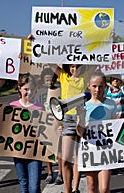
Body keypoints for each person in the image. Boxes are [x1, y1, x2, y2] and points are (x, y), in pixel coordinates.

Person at [49, 63, 94, 193]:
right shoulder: (63, 75)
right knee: (66, 159)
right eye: (72, 66)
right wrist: (37, 44)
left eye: (77, 66)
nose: (74, 69)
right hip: (67, 119)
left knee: (78, 157)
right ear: (68, 67)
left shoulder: (85, 75)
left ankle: (75, 188)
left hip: (82, 118)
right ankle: (67, 190)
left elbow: (98, 58)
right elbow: (50, 63)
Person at [76, 70, 117, 193]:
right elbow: (80, 133)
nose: (97, 90)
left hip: (106, 151)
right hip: (90, 151)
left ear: (105, 86)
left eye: (100, 86)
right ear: (89, 86)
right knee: (92, 187)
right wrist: (81, 117)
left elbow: (114, 127)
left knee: (104, 189)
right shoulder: (84, 105)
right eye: (94, 86)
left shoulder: (111, 104)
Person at [10, 73, 45, 193]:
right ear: (19, 88)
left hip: (35, 153)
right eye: (26, 89)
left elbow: (47, 129)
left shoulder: (40, 108)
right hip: (18, 152)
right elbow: (5, 128)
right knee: (23, 184)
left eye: (31, 89)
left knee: (34, 187)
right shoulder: (12, 107)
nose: (28, 92)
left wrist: (56, 130)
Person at [37, 67, 63, 185]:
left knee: (60, 151)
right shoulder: (40, 92)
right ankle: (49, 172)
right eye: (47, 80)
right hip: (45, 124)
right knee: (48, 150)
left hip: (58, 124)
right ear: (43, 80)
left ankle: (60, 173)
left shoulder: (60, 90)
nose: (49, 82)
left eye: (51, 79)